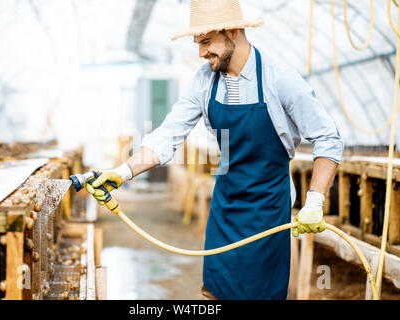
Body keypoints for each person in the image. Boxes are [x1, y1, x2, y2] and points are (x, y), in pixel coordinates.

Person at [85, 0, 344, 300]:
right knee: (214, 294)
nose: (201, 52)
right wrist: (123, 172)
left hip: (267, 215)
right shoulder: (204, 81)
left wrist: (314, 201)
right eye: (198, 43)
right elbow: (168, 135)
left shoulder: (279, 79)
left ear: (233, 31)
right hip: (224, 211)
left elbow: (328, 137)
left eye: (206, 42)